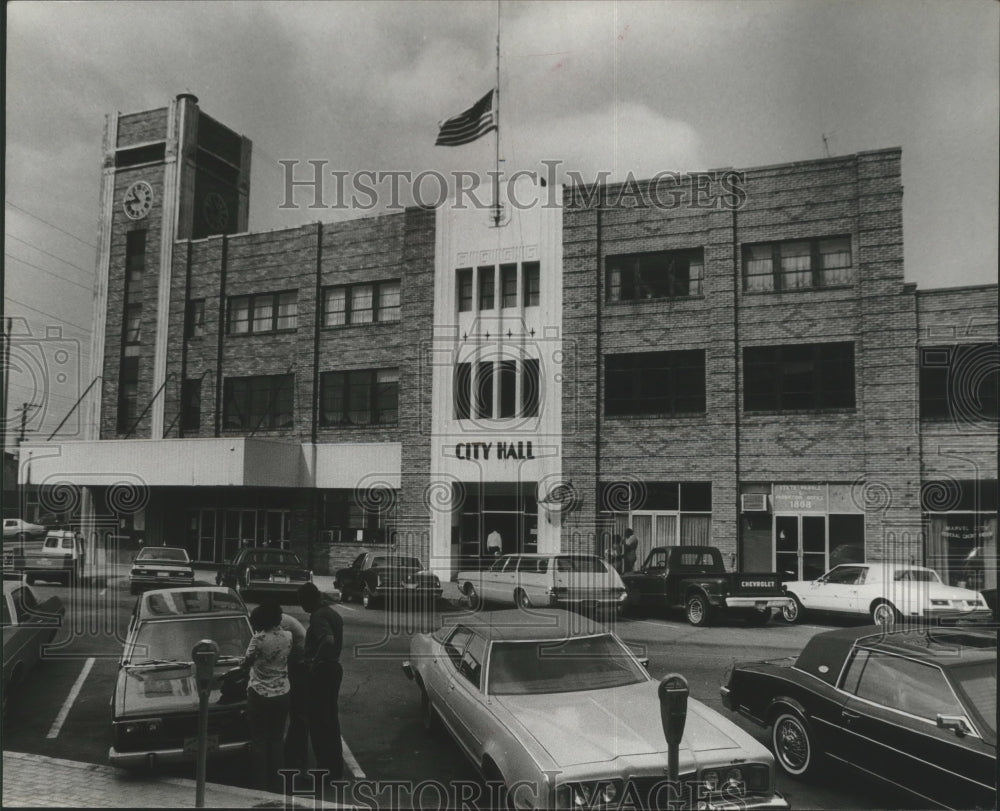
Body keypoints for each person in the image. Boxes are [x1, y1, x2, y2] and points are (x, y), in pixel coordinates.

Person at [242, 600, 292, 794]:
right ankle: (278, 783)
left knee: (259, 740)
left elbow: (247, 661)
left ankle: (260, 784)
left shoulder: (259, 639)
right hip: (282, 692)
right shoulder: (288, 637)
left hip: (259, 693)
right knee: (277, 739)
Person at [298, 581, 344, 785]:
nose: (302, 607)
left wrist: (314, 661)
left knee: (318, 722)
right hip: (332, 668)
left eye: (302, 602)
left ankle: (324, 771)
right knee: (330, 721)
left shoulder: (318, 616)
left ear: (309, 600)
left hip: (322, 671)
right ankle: (334, 769)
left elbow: (328, 640)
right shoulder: (331, 613)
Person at [279, 609, 308, 773]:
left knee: (298, 713)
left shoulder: (281, 626)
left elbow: (278, 647)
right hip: (297, 659)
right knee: (299, 715)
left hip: (298, 661)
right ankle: (296, 756)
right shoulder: (283, 620)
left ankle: (295, 757)